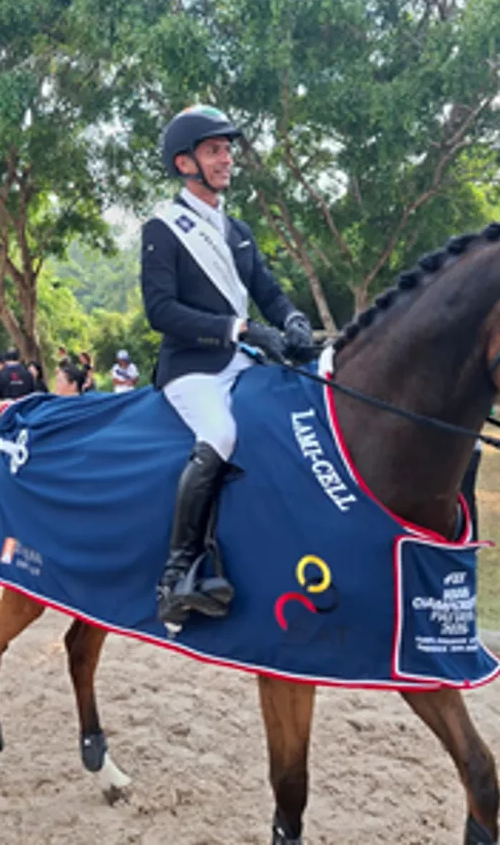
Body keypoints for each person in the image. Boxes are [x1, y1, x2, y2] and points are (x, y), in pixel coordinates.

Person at [142, 104, 314, 629]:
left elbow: (267, 290)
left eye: (228, 150)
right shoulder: (163, 228)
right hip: (191, 367)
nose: (226, 159)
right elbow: (161, 311)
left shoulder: (237, 229)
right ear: (185, 162)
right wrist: (237, 328)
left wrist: (293, 319)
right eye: (214, 150)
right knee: (220, 434)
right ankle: (175, 577)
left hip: (242, 361)